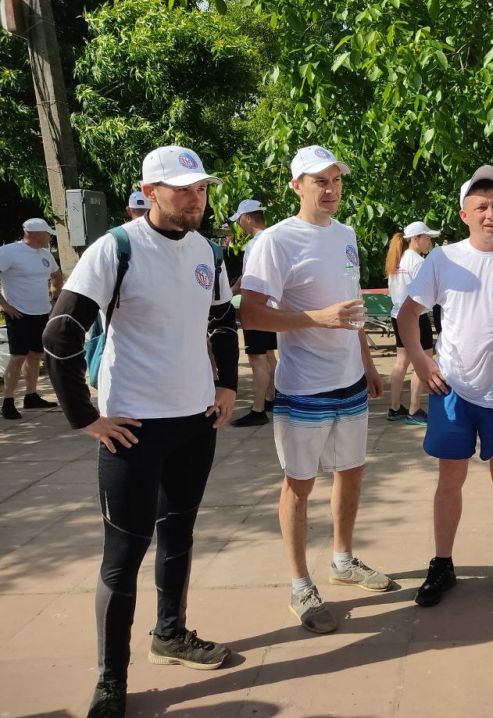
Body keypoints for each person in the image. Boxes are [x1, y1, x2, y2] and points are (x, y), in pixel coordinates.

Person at [41, 146, 239, 718]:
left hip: (195, 421)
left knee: (179, 535)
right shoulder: (117, 248)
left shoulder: (207, 250)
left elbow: (222, 320)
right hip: (133, 429)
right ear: (150, 192)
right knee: (123, 553)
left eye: (201, 188)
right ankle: (111, 679)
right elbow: (60, 334)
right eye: (183, 189)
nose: (196, 199)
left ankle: (170, 634)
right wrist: (85, 417)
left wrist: (227, 385)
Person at [240, 144, 390, 636]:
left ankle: (343, 560)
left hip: (349, 381)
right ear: (296, 186)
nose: (330, 190)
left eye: (336, 180)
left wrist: (366, 361)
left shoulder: (345, 234)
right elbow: (251, 314)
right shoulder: (274, 241)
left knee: (351, 472)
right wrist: (315, 318)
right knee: (299, 486)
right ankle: (300, 583)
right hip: (304, 387)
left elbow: (351, 305)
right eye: (319, 181)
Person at [397, 164, 493, 610]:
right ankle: (442, 563)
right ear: (465, 215)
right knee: (450, 480)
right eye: (481, 207)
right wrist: (421, 360)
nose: (491, 214)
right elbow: (407, 314)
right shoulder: (443, 259)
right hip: (454, 393)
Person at [0, 218, 63, 420]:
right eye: (47, 234)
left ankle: (31, 395)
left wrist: (55, 297)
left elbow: (57, 274)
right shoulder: (8, 252)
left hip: (41, 312)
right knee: (18, 356)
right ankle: (8, 401)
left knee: (36, 354)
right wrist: (5, 305)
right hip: (18, 313)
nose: (49, 238)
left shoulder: (45, 254)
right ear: (35, 234)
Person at [385, 220, 440, 425]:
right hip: (416, 316)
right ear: (415, 239)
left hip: (397, 314)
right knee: (423, 361)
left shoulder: (397, 259)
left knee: (401, 362)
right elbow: (426, 292)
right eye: (427, 238)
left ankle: (394, 407)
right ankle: (414, 409)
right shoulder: (417, 262)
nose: (429, 242)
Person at [227, 199, 276, 426]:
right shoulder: (275, 239)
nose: (239, 225)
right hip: (273, 307)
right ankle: (271, 398)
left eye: (239, 220)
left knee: (257, 359)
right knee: (269, 355)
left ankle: (258, 409)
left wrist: (230, 293)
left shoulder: (254, 244)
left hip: (257, 308)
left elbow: (249, 280)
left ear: (247, 218)